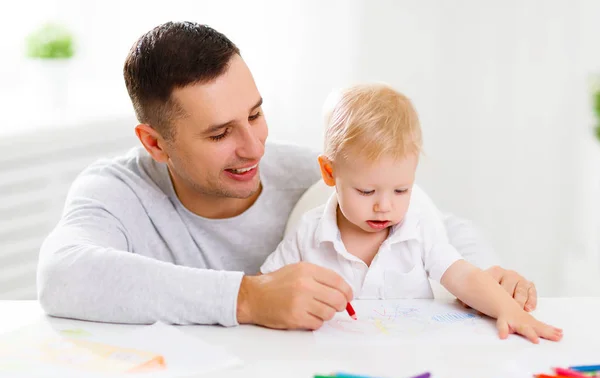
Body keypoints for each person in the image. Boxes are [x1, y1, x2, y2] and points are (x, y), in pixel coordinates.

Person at [37, 21, 537, 331]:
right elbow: (62, 275)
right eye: (219, 134)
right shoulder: (117, 192)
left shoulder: (312, 174)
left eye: (255, 114)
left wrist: (492, 275)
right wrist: (249, 299)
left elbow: (438, 229)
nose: (255, 148)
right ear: (154, 143)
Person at [261, 83, 562, 343]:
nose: (385, 206)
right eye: (366, 192)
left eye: (402, 190)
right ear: (329, 172)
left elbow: (463, 276)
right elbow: (264, 287)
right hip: (331, 358)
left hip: (411, 356)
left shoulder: (417, 226)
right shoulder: (308, 232)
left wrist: (508, 311)